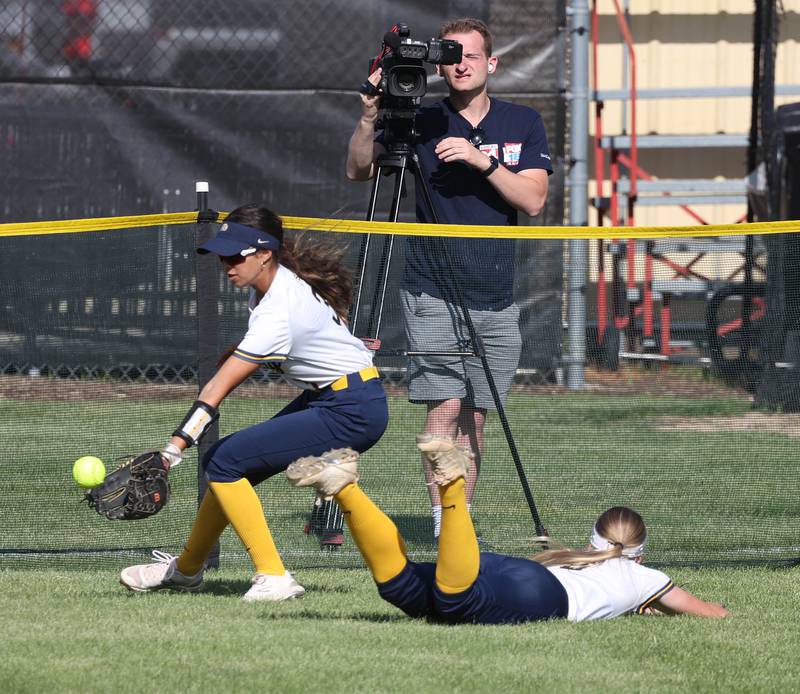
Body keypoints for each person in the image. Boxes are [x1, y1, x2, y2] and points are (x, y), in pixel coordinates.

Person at [119, 205, 389, 601]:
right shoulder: (277, 285)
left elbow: (215, 391)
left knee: (225, 461)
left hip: (349, 408)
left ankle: (273, 576)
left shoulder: (278, 310)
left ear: (264, 254)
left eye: (235, 254)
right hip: (341, 396)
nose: (226, 263)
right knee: (230, 465)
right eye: (222, 255)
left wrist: (171, 452)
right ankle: (188, 570)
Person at [346, 17, 552, 537]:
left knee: (477, 415)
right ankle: (445, 522)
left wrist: (479, 160)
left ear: (492, 63)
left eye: (471, 56)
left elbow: (533, 198)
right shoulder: (422, 117)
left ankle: (459, 516)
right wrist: (370, 118)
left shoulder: (522, 121)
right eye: (451, 57)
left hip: (495, 292)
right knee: (445, 406)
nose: (460, 65)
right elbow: (358, 169)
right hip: (431, 286)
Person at [286, 437, 728, 624]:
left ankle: (344, 487)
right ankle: (453, 485)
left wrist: (642, 609)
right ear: (641, 554)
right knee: (453, 598)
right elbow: (709, 613)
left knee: (401, 587)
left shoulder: (575, 559)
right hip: (544, 596)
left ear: (595, 540)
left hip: (520, 572)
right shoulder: (645, 577)